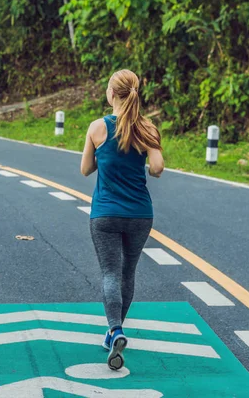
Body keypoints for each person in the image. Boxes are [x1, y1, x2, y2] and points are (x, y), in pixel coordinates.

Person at [80, 69, 164, 371]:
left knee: (110, 274)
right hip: (140, 213)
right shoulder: (147, 128)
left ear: (111, 94)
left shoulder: (97, 128)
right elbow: (157, 167)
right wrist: (146, 164)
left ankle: (115, 330)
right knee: (128, 274)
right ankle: (112, 332)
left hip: (105, 213)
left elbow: (85, 169)